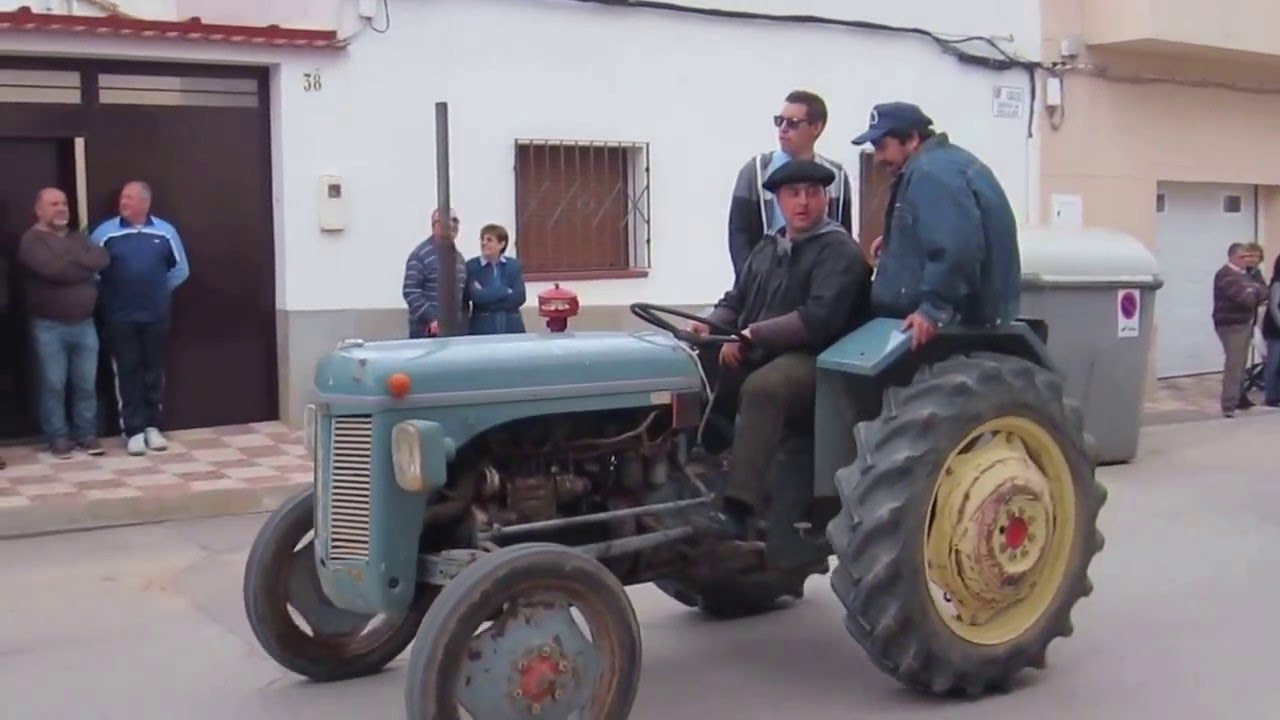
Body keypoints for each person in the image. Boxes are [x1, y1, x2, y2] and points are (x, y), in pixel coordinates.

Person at [689, 159, 873, 540]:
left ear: (825, 198)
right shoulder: (768, 247)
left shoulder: (839, 252)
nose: (803, 202)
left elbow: (817, 320)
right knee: (693, 361)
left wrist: (752, 335)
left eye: (812, 193)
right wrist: (709, 323)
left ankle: (741, 509)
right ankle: (699, 462)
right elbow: (736, 298)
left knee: (765, 387)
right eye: (793, 194)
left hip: (820, 359)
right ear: (778, 201)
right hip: (765, 347)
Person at [850, 101, 1021, 349]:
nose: (878, 158)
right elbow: (945, 230)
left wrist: (933, 310)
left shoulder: (932, 172)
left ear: (911, 138)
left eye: (882, 147)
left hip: (951, 328)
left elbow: (958, 247)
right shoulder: (938, 165)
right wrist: (900, 242)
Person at [90, 180, 191, 456]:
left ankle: (152, 427)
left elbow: (181, 270)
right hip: (120, 316)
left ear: (145, 203)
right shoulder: (105, 233)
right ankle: (133, 430)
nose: (123, 202)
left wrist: (156, 291)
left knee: (153, 370)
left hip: (155, 314)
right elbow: (92, 272)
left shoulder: (165, 232)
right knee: (127, 370)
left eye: (129, 198)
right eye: (122, 197)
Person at [18, 187, 110, 458]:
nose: (61, 208)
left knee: (85, 384)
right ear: (39, 209)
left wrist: (72, 260)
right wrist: (83, 266)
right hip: (49, 327)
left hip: (84, 324)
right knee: (53, 385)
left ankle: (86, 434)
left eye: (64, 203)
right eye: (54, 204)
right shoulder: (31, 240)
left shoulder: (78, 237)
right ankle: (58, 438)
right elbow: (52, 270)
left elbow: (102, 258)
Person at [726, 90, 854, 281]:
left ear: (816, 127)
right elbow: (739, 234)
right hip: (764, 282)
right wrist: (749, 280)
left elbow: (843, 232)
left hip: (817, 281)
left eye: (792, 123)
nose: (783, 128)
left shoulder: (836, 176)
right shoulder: (756, 171)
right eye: (779, 121)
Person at [1213, 242, 1269, 417]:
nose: (1247, 260)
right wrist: (1254, 291)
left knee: (1241, 363)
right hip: (1231, 324)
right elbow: (1246, 300)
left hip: (1245, 322)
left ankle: (1239, 398)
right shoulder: (1226, 275)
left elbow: (1264, 292)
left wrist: (1254, 289)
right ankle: (1229, 405)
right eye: (1243, 257)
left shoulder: (1247, 274)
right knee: (1234, 364)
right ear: (1233, 257)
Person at [402, 208, 467, 339]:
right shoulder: (420, 255)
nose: (454, 225)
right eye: (450, 221)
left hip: (454, 331)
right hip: (427, 332)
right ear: (436, 225)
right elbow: (410, 291)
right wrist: (432, 319)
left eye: (456, 221)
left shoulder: (458, 258)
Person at [464, 223, 527, 335]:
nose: (484, 243)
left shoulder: (513, 266)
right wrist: (503, 290)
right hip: (483, 328)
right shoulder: (472, 267)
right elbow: (476, 297)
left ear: (501, 244)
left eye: (489, 240)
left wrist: (487, 295)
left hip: (511, 327)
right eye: (482, 239)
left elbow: (519, 297)